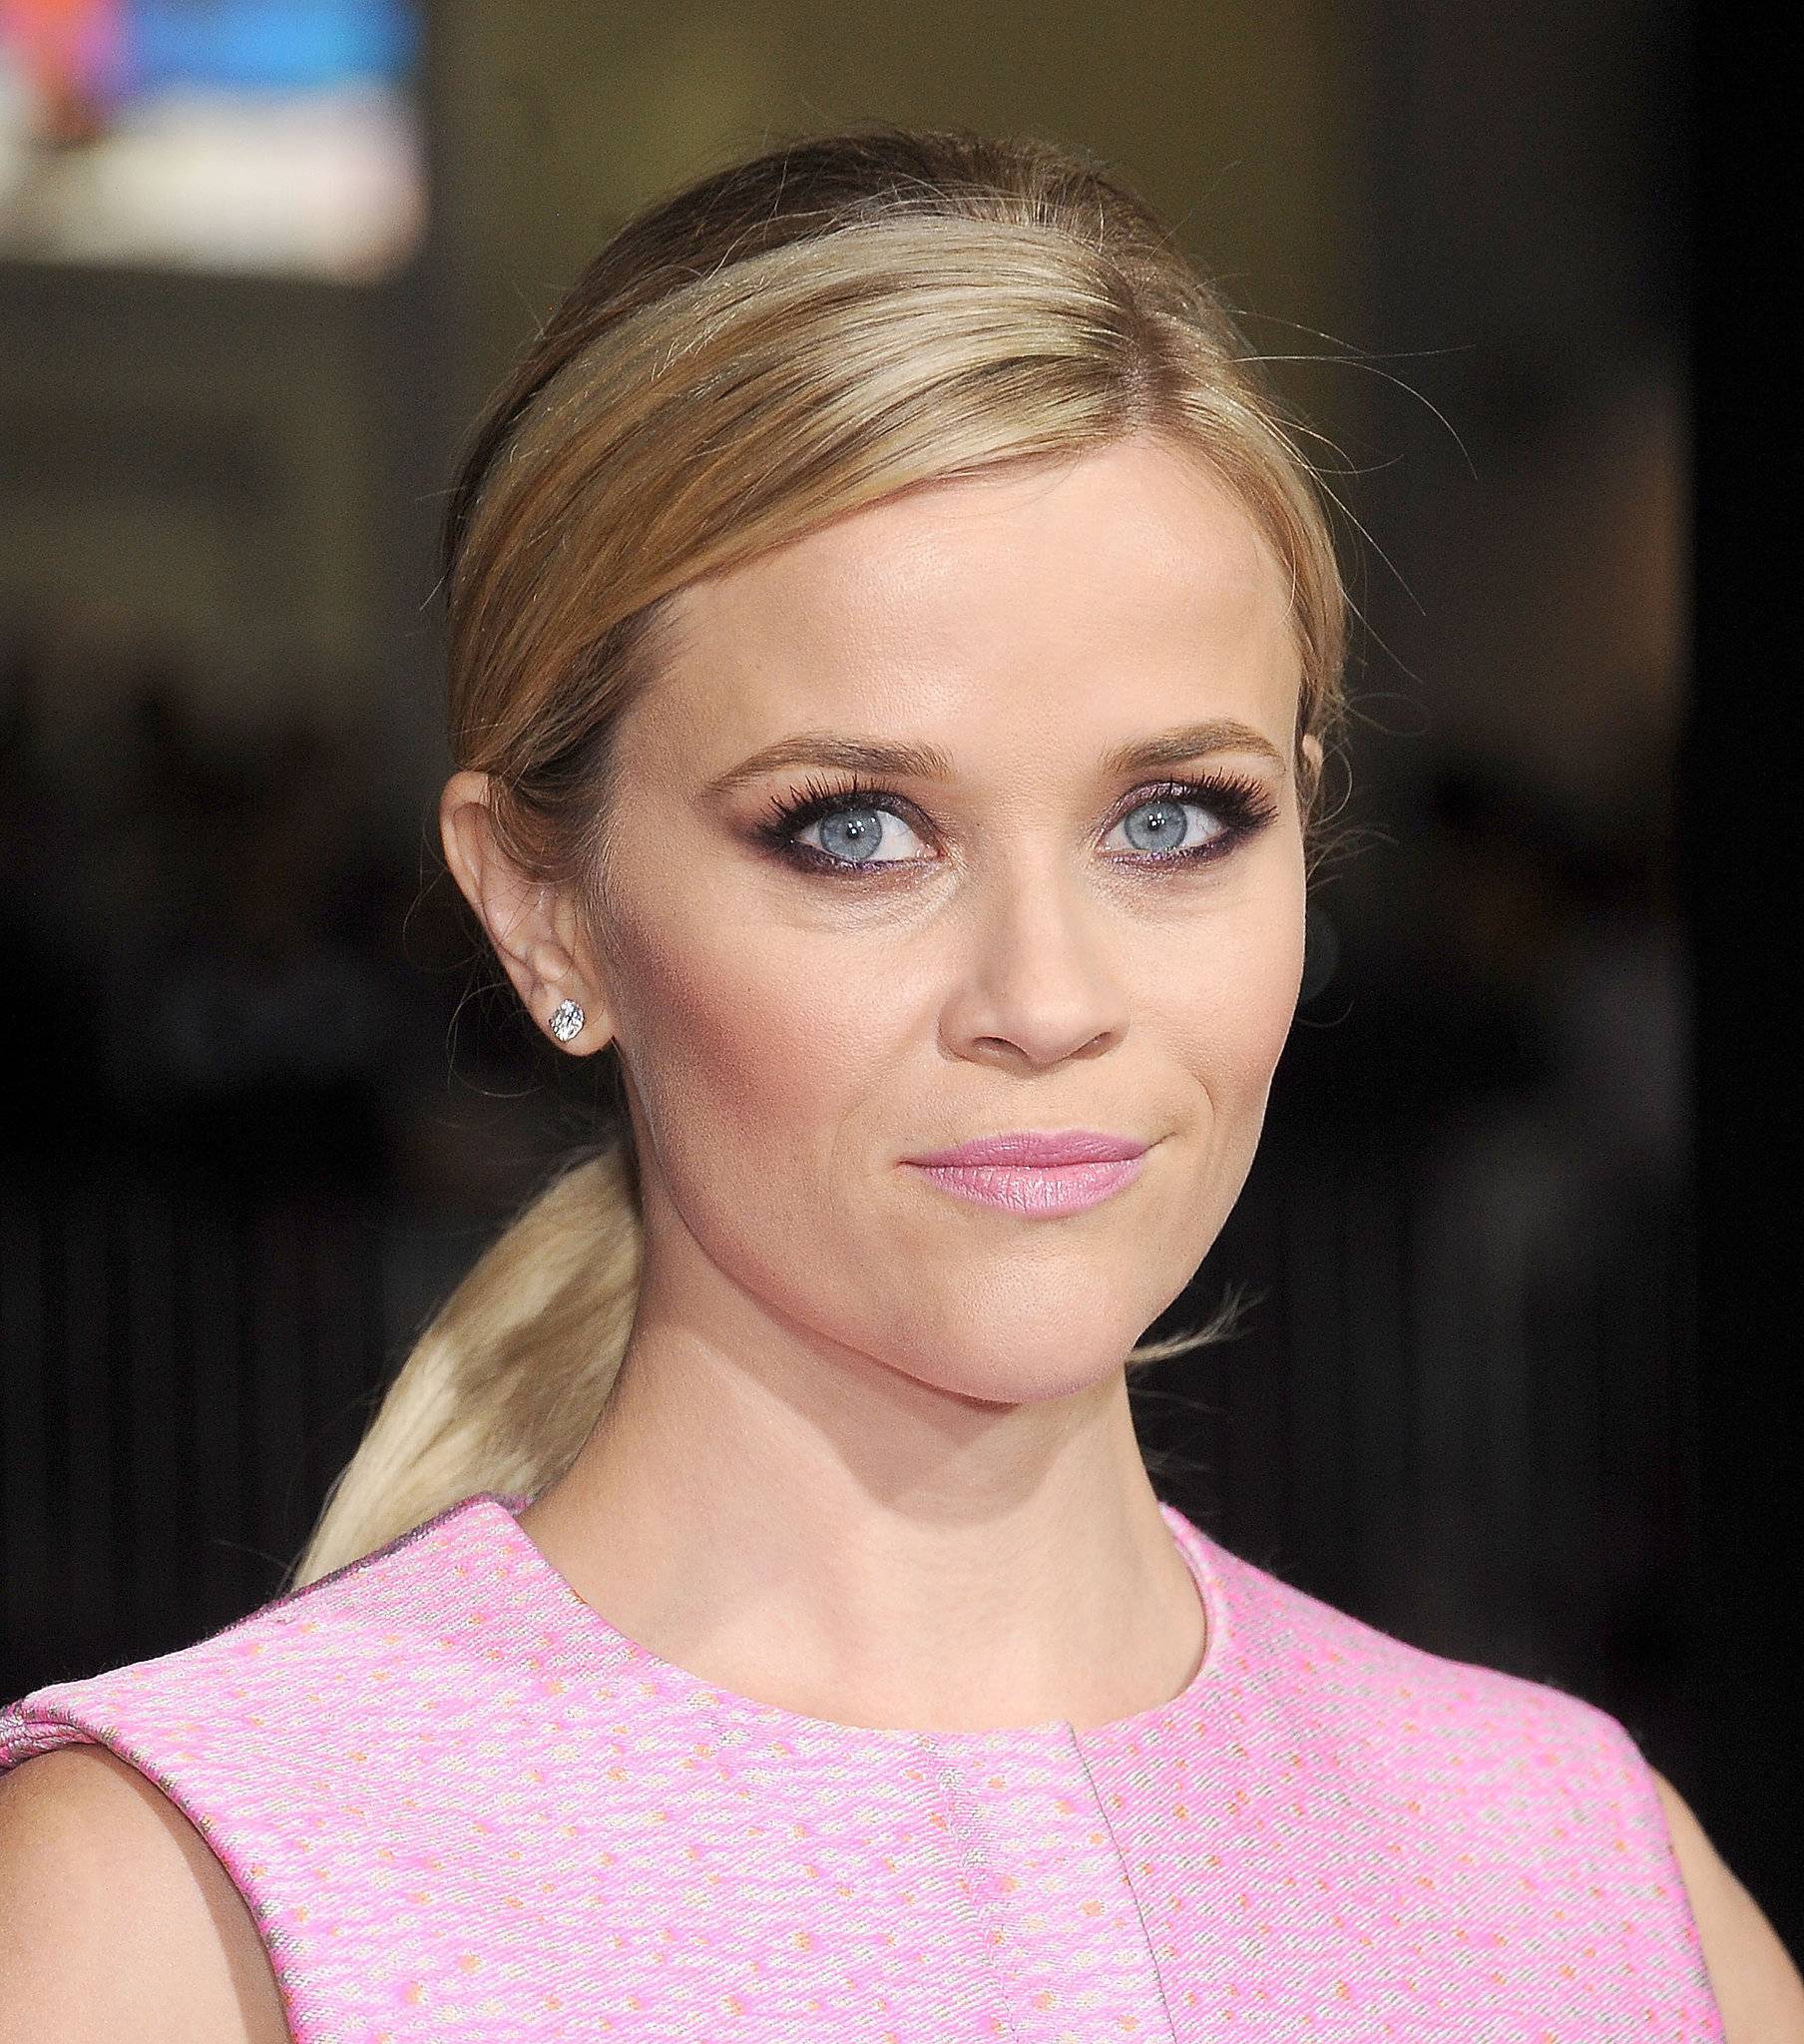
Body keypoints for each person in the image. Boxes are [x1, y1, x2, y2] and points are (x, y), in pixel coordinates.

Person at [0, 125, 1796, 2043]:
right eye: (854, 829)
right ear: (542, 908)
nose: (1047, 998)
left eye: (1175, 818)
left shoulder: (1586, 1877)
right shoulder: (186, 1906)